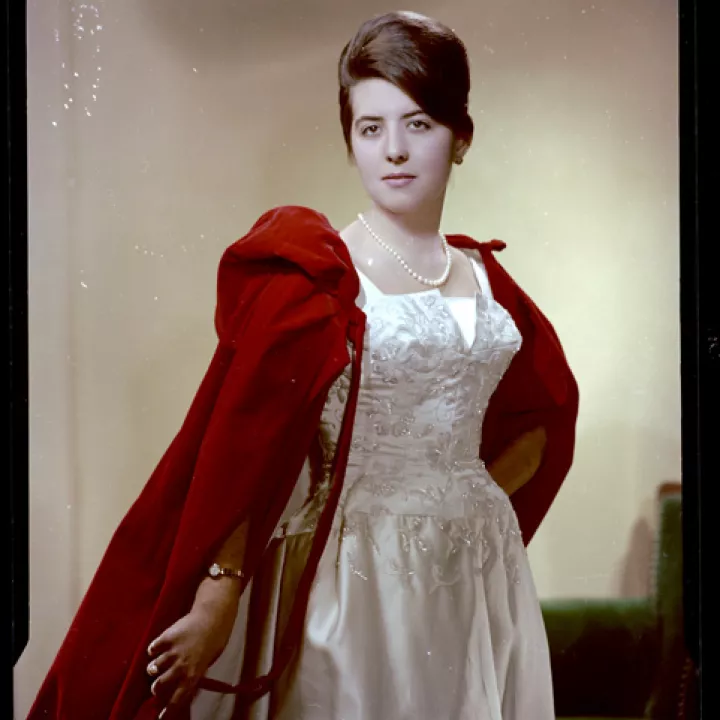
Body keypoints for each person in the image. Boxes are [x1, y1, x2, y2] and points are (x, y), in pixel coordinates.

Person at [27, 11, 579, 720]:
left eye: (418, 124)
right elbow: (246, 443)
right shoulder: (319, 273)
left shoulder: (489, 279)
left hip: (476, 570)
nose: (394, 151)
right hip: (354, 573)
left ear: (461, 137)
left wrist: (467, 502)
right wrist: (218, 593)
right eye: (370, 128)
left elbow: (543, 419)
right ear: (350, 141)